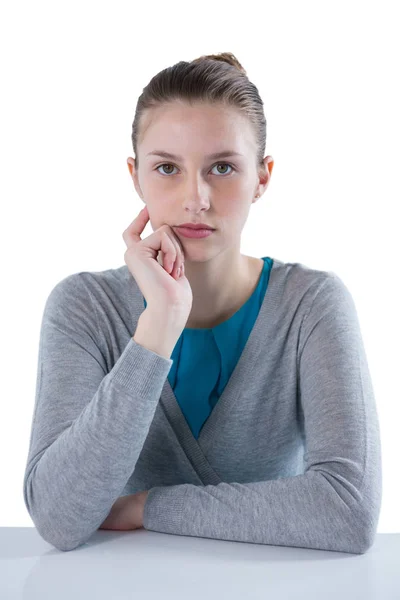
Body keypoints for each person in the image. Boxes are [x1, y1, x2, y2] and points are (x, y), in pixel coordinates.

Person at [23, 52, 382, 554]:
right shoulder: (84, 307)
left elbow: (348, 512)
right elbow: (60, 518)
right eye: (167, 167)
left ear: (262, 177)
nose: (196, 197)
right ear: (135, 175)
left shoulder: (312, 305)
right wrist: (160, 323)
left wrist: (146, 507)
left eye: (222, 167)